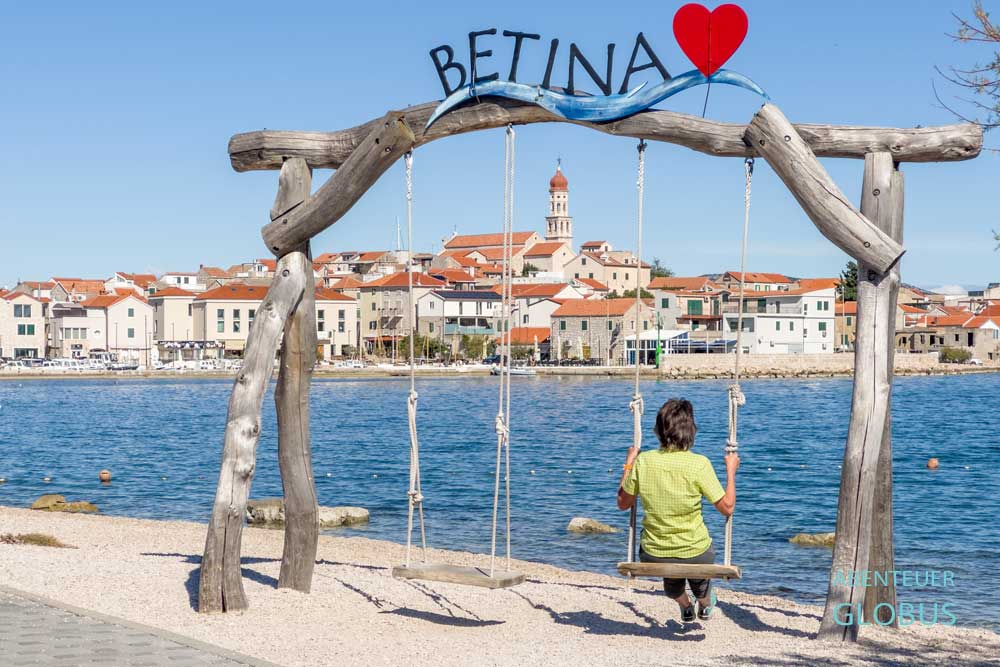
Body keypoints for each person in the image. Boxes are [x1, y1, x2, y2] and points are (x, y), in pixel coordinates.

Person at [617, 398, 739, 623]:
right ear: (691, 430)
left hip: (654, 552)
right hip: (696, 551)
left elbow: (623, 503)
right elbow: (727, 508)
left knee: (672, 579)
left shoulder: (643, 462)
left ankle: (685, 604)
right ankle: (703, 601)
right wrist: (731, 471)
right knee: (698, 570)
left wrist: (628, 463)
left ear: (659, 429)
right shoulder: (699, 464)